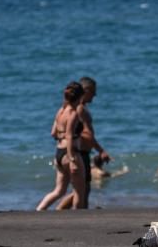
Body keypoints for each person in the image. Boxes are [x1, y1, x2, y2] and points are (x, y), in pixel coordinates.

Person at [57, 76, 110, 210]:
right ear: (85, 91)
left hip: (80, 151)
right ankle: (70, 213)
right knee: (82, 190)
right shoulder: (79, 109)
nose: (95, 95)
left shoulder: (75, 108)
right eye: (93, 92)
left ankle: (61, 212)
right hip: (80, 152)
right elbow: (86, 134)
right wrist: (101, 150)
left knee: (79, 190)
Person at [37, 81, 86, 210]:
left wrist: (62, 135)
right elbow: (69, 135)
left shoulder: (61, 111)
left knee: (59, 190)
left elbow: (53, 133)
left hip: (58, 152)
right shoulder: (73, 114)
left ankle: (39, 210)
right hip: (70, 152)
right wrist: (72, 160)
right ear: (80, 97)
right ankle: (78, 219)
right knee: (80, 192)